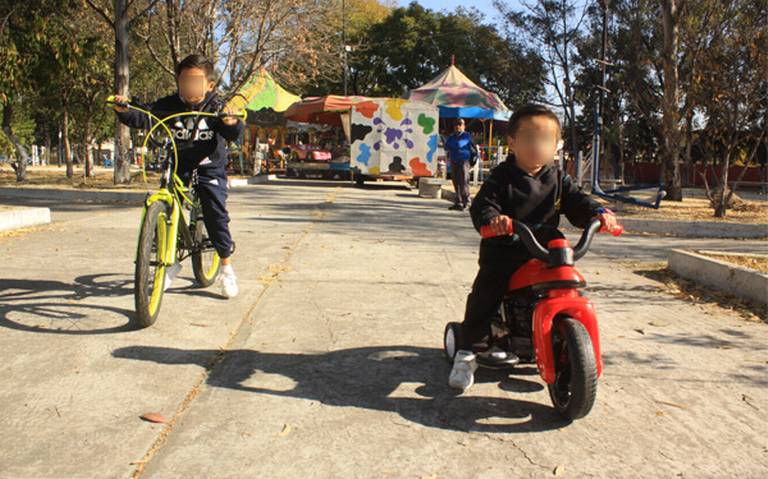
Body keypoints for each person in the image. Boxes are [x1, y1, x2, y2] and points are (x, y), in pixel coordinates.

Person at [448, 104, 621, 392]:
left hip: (545, 250)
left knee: (568, 282)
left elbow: (579, 201)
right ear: (512, 142)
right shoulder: (501, 177)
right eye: (528, 138)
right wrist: (493, 220)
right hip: (505, 248)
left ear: (556, 146)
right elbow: (484, 204)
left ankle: (563, 338)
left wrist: (598, 214)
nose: (536, 146)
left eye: (544, 140)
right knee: (486, 291)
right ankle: (467, 352)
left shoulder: (558, 178)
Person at [112, 54, 244, 299]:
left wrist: (231, 121)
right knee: (165, 201)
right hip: (177, 162)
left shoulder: (216, 105)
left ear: (210, 85)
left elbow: (233, 131)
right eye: (184, 80)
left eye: (195, 80)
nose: (189, 86)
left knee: (215, 212)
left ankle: (226, 267)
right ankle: (168, 260)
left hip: (208, 165)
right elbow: (145, 116)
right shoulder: (169, 104)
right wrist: (124, 110)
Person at [444, 118, 475, 210]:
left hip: (463, 161)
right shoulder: (452, 136)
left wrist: (452, 145)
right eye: (456, 125)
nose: (458, 126)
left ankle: (467, 202)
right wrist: (453, 145)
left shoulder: (466, 136)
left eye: (460, 124)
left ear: (463, 126)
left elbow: (459, 145)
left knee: (464, 182)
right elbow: (446, 146)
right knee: (456, 182)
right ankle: (458, 202)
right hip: (454, 161)